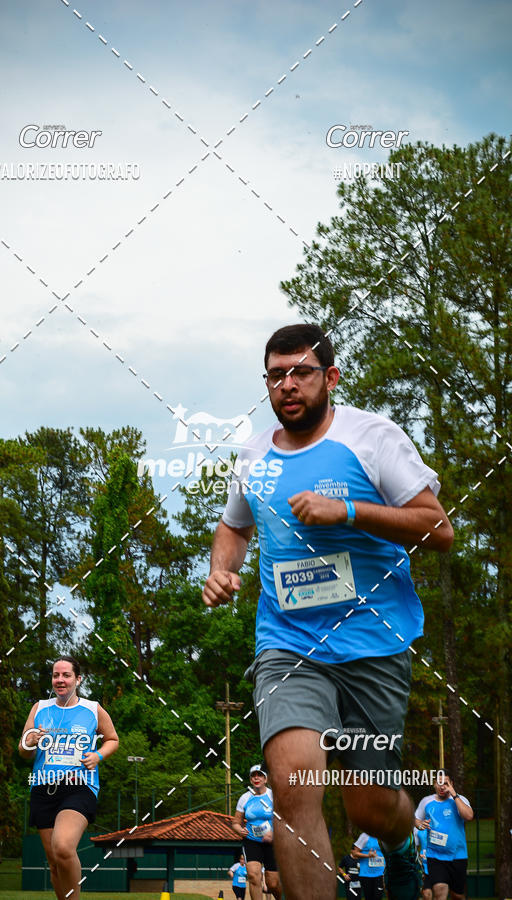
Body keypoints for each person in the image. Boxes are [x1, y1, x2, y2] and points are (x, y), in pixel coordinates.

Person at [203, 323, 454, 900]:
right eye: (276, 375)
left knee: (368, 808)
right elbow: (234, 526)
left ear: (331, 377)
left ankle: (400, 844)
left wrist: (348, 511)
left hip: (372, 645)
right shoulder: (255, 454)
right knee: (292, 788)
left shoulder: (371, 438)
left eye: (301, 373)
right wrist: (222, 568)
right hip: (288, 644)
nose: (288, 385)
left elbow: (438, 529)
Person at [19, 656, 119, 900]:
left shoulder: (93, 709)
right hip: (43, 788)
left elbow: (113, 739)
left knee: (63, 847)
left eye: (66, 675)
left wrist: (98, 755)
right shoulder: (39, 708)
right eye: (56, 675)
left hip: (79, 786)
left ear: (78, 679)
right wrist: (30, 741)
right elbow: (24, 751)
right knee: (55, 863)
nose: (60, 680)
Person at [415, 770, 473, 900]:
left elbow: (469, 816)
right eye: (439, 783)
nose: (442, 787)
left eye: (445, 783)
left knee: (457, 895)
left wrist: (454, 795)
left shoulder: (460, 799)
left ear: (451, 783)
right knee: (439, 891)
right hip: (435, 856)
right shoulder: (426, 802)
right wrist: (419, 824)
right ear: (434, 784)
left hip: (458, 856)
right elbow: (415, 819)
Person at [232, 765, 282, 900]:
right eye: (253, 776)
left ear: (265, 779)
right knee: (253, 876)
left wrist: (274, 832)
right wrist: (239, 830)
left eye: (260, 775)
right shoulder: (244, 798)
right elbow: (235, 823)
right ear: (250, 779)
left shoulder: (273, 796)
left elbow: (284, 819)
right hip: (251, 841)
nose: (256, 778)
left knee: (272, 883)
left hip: (272, 843)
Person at [353, 833, 385, 899]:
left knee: (378, 897)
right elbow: (354, 853)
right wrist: (368, 855)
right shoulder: (365, 835)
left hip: (380, 874)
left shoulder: (383, 835)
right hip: (366, 874)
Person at [413, 826, 432, 900]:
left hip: (439, 863)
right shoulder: (418, 828)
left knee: (439, 892)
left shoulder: (441, 824)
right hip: (425, 866)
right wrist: (418, 856)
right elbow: (414, 846)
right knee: (426, 894)